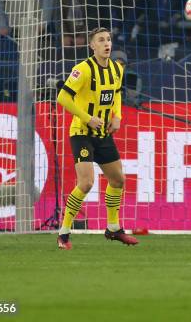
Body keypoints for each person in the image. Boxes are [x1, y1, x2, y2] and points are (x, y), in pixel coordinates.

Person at [56, 27, 138, 250]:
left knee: (118, 180)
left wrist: (118, 116)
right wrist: (87, 117)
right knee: (86, 183)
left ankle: (113, 228)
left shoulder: (116, 69)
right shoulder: (82, 69)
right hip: (82, 132)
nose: (106, 43)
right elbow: (62, 97)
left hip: (103, 133)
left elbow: (118, 94)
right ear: (92, 46)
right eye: (101, 40)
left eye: (108, 39)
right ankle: (63, 232)